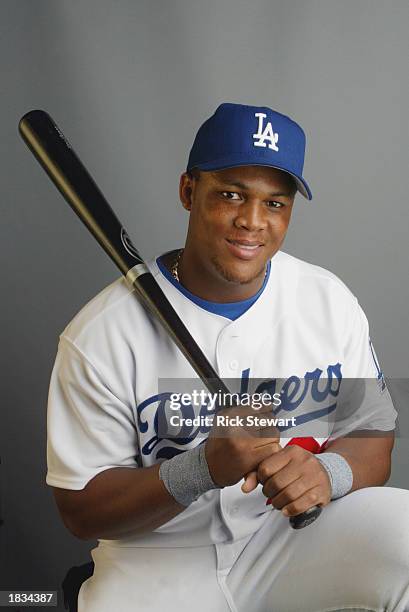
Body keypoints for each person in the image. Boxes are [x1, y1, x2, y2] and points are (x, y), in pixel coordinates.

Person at [46, 103, 409, 612]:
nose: (252, 222)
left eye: (275, 204)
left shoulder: (328, 300)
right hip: (155, 561)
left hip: (288, 540)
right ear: (189, 191)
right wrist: (202, 468)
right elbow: (81, 510)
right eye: (231, 195)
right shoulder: (102, 334)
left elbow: (375, 439)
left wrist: (331, 473)